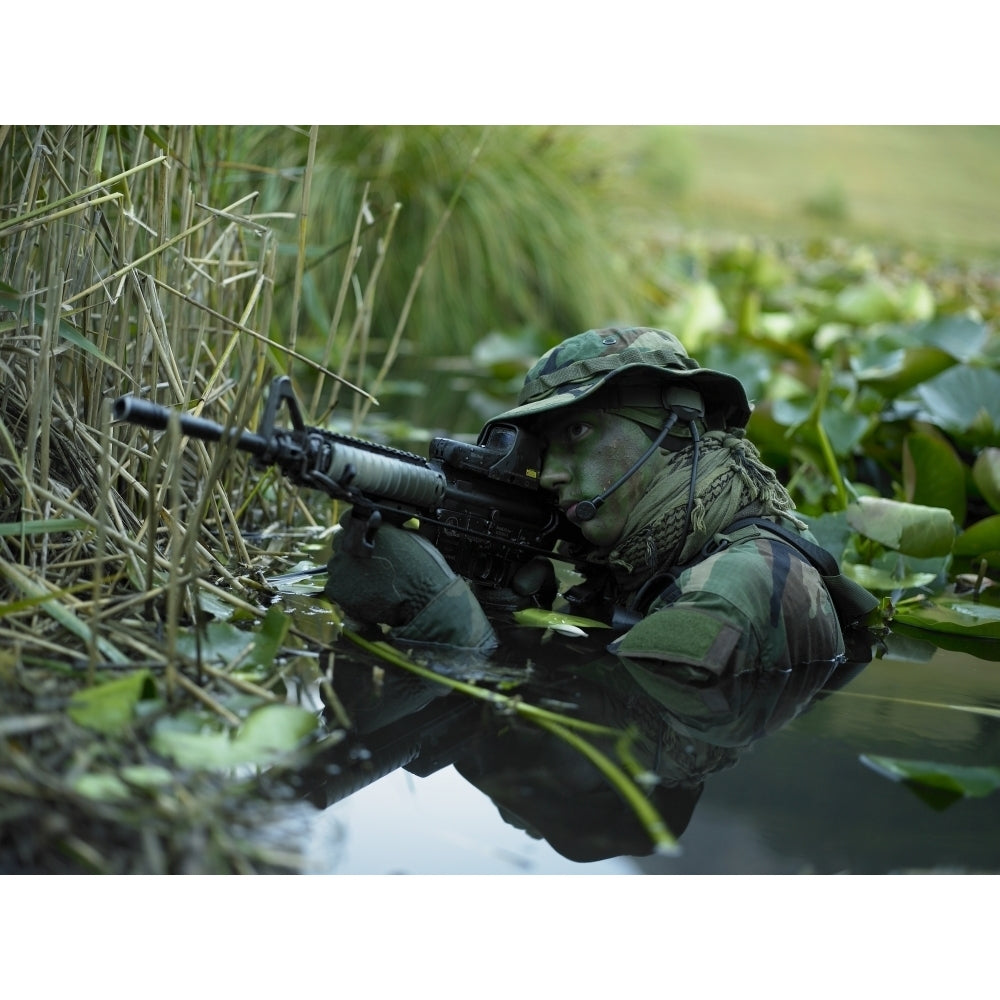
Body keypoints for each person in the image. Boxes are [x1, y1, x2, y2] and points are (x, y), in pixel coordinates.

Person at [325, 326, 877, 680]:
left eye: (579, 431)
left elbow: (613, 719)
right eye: (542, 448)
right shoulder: (642, 562)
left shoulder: (737, 586)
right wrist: (503, 612)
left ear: (675, 428)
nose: (552, 474)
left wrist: (451, 627)